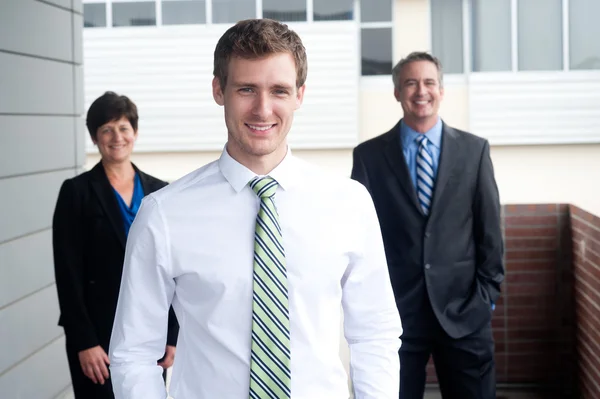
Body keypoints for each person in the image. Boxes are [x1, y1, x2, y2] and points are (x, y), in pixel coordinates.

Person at [108, 18, 402, 399]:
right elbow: (133, 352)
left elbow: (375, 333)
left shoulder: (349, 203)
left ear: (300, 94)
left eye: (279, 90)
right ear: (219, 90)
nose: (263, 109)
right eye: (246, 88)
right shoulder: (163, 214)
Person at [351, 52, 504, 399]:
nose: (421, 91)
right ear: (396, 93)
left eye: (429, 82)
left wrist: (485, 300)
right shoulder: (368, 157)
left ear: (441, 90)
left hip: (465, 314)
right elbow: (359, 237)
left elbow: (490, 233)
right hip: (396, 318)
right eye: (410, 82)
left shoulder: (474, 151)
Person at [52, 92, 179, 399]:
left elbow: (174, 269)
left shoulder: (159, 192)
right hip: (97, 336)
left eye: (123, 127)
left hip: (149, 332)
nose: (116, 137)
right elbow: (67, 273)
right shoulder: (76, 193)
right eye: (106, 129)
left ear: (134, 132)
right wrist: (84, 341)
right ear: (95, 137)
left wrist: (172, 335)